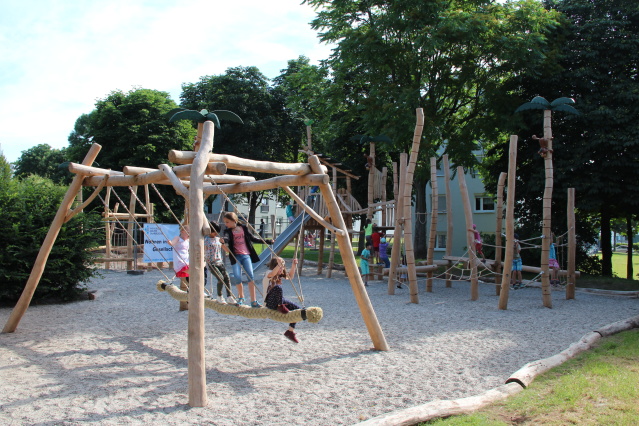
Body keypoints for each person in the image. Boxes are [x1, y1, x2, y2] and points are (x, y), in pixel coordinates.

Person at [222, 212, 273, 307]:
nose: (226, 224)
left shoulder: (244, 228)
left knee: (250, 277)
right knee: (237, 277)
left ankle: (253, 301)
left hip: (246, 255)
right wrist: (223, 240)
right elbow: (226, 238)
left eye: (227, 222)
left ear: (234, 221)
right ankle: (241, 297)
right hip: (235, 256)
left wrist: (268, 241)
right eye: (225, 222)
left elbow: (253, 239)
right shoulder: (227, 231)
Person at [264, 257, 302, 343]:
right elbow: (273, 273)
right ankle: (280, 306)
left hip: (278, 301)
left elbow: (290, 277)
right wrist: (279, 264)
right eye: (280, 267)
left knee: (297, 309)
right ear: (275, 266)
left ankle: (290, 331)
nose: (282, 269)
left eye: (283, 267)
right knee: (278, 287)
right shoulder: (269, 273)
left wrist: (293, 265)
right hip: (270, 302)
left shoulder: (278, 275)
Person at [204, 222, 235, 304]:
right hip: (211, 263)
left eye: (217, 232)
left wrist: (223, 243)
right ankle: (219, 296)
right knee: (220, 278)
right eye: (214, 232)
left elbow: (227, 250)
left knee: (227, 278)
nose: (216, 234)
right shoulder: (205, 240)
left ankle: (229, 296)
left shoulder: (218, 239)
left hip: (219, 262)